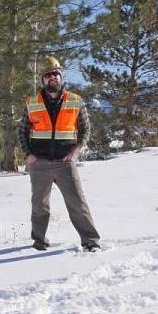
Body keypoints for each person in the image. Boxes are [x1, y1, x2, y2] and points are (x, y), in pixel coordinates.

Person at [21, 56, 101, 252]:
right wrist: (29, 154)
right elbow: (22, 130)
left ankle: (90, 241)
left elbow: (85, 129)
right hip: (39, 163)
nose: (52, 78)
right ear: (42, 79)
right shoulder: (32, 102)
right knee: (39, 205)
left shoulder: (75, 101)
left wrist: (76, 151)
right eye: (48, 75)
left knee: (77, 202)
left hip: (65, 162)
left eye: (55, 74)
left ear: (61, 76)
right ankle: (39, 240)